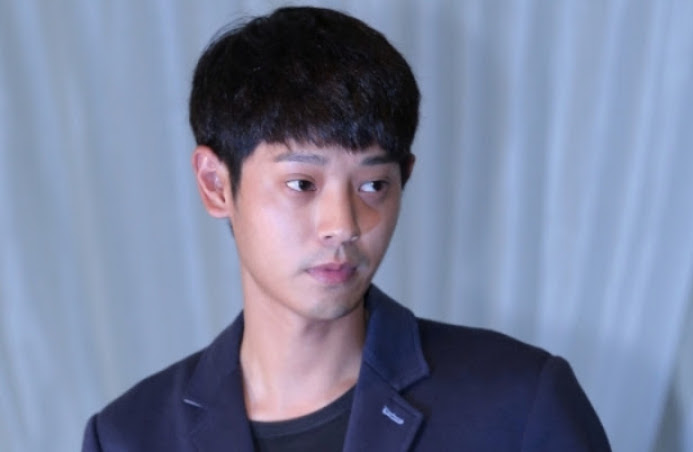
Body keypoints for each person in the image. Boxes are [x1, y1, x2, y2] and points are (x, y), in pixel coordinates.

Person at [82, 6, 611, 451]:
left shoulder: (518, 404)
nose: (343, 226)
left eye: (373, 185)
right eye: (302, 184)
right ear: (216, 184)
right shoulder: (130, 437)